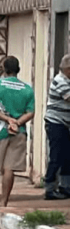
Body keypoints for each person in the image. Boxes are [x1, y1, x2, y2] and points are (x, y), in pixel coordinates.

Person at [0, 56, 35, 207]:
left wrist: (6, 119)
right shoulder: (27, 89)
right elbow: (31, 112)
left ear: (4, 69)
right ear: (18, 70)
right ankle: (4, 202)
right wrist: (16, 122)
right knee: (9, 169)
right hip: (19, 132)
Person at [44, 54, 70, 200]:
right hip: (55, 123)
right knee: (56, 156)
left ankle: (65, 186)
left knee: (66, 156)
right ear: (68, 69)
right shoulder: (60, 81)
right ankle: (49, 188)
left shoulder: (67, 80)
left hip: (64, 123)